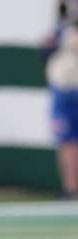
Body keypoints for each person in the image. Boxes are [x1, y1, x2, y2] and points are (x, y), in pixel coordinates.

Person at [44, 0, 78, 200]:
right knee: (65, 140)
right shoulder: (59, 27)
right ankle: (70, 188)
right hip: (63, 88)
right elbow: (46, 53)